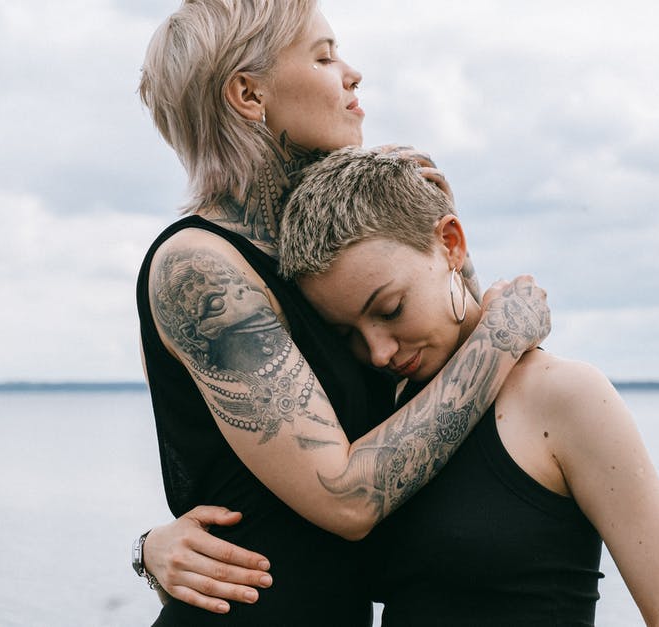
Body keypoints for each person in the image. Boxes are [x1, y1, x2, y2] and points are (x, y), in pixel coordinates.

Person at [134, 1, 550, 624]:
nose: (352, 73)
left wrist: (440, 247)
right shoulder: (199, 267)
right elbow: (347, 498)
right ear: (249, 93)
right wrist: (500, 336)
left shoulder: (325, 263)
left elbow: (443, 391)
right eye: (324, 56)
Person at [272, 146, 659, 625]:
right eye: (348, 336)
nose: (379, 352)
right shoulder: (380, 410)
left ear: (451, 244)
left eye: (391, 309)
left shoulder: (564, 398)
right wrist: (176, 551)